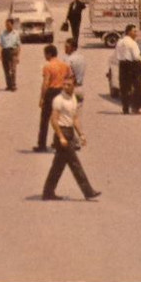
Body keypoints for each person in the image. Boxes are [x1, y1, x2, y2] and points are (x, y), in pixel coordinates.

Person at [41, 73, 101, 201]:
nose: (65, 86)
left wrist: (81, 134)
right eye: (64, 84)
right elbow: (54, 120)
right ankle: (88, 191)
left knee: (58, 166)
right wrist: (61, 137)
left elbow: (75, 119)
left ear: (74, 85)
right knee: (75, 164)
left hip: (69, 132)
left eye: (69, 84)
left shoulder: (73, 98)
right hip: (62, 134)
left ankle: (48, 192)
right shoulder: (59, 100)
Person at [35, 44, 71, 152]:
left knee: (45, 119)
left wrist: (42, 98)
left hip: (51, 92)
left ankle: (42, 144)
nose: (45, 56)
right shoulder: (65, 65)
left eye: (45, 54)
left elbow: (46, 83)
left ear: (49, 54)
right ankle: (59, 142)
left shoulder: (48, 66)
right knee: (60, 118)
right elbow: (69, 79)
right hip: (61, 91)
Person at [113, 23, 141, 115]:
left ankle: (125, 109)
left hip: (122, 65)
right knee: (137, 88)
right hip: (132, 65)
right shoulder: (132, 43)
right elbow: (136, 57)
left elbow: (117, 54)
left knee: (124, 88)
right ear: (129, 32)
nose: (136, 33)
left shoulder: (120, 42)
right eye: (134, 31)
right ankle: (135, 108)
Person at [0, 18, 22, 91]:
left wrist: (18, 56)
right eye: (6, 24)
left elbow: (18, 46)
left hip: (13, 52)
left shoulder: (16, 33)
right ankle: (8, 85)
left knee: (13, 69)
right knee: (6, 69)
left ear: (12, 24)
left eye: (8, 24)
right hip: (5, 51)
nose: (7, 26)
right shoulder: (2, 33)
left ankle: (13, 85)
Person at [63, 37, 87, 103]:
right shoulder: (82, 58)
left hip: (70, 89)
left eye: (67, 47)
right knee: (78, 111)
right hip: (80, 88)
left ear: (73, 48)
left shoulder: (68, 60)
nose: (65, 49)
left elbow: (67, 74)